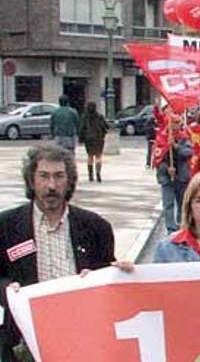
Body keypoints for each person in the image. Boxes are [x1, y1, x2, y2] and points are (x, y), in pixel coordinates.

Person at [0, 144, 116, 360]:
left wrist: (117, 274)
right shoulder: (6, 226)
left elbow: (109, 281)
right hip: (25, 343)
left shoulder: (96, 227)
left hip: (80, 339)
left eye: (59, 176)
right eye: (43, 176)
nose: (51, 185)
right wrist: (7, 289)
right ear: (31, 180)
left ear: (69, 180)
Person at [155, 114, 193, 234]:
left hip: (182, 177)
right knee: (168, 204)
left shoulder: (184, 137)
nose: (178, 125)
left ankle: (182, 227)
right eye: (175, 122)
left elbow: (188, 153)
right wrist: (167, 169)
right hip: (166, 178)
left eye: (178, 122)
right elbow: (157, 158)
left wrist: (176, 146)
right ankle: (171, 229)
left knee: (182, 204)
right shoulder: (161, 137)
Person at [77, 101, 109, 182]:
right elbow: (105, 126)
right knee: (98, 156)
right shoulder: (99, 116)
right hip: (98, 138)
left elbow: (81, 128)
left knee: (90, 156)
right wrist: (104, 133)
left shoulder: (84, 117)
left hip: (88, 139)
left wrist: (80, 139)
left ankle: (90, 175)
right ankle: (98, 173)